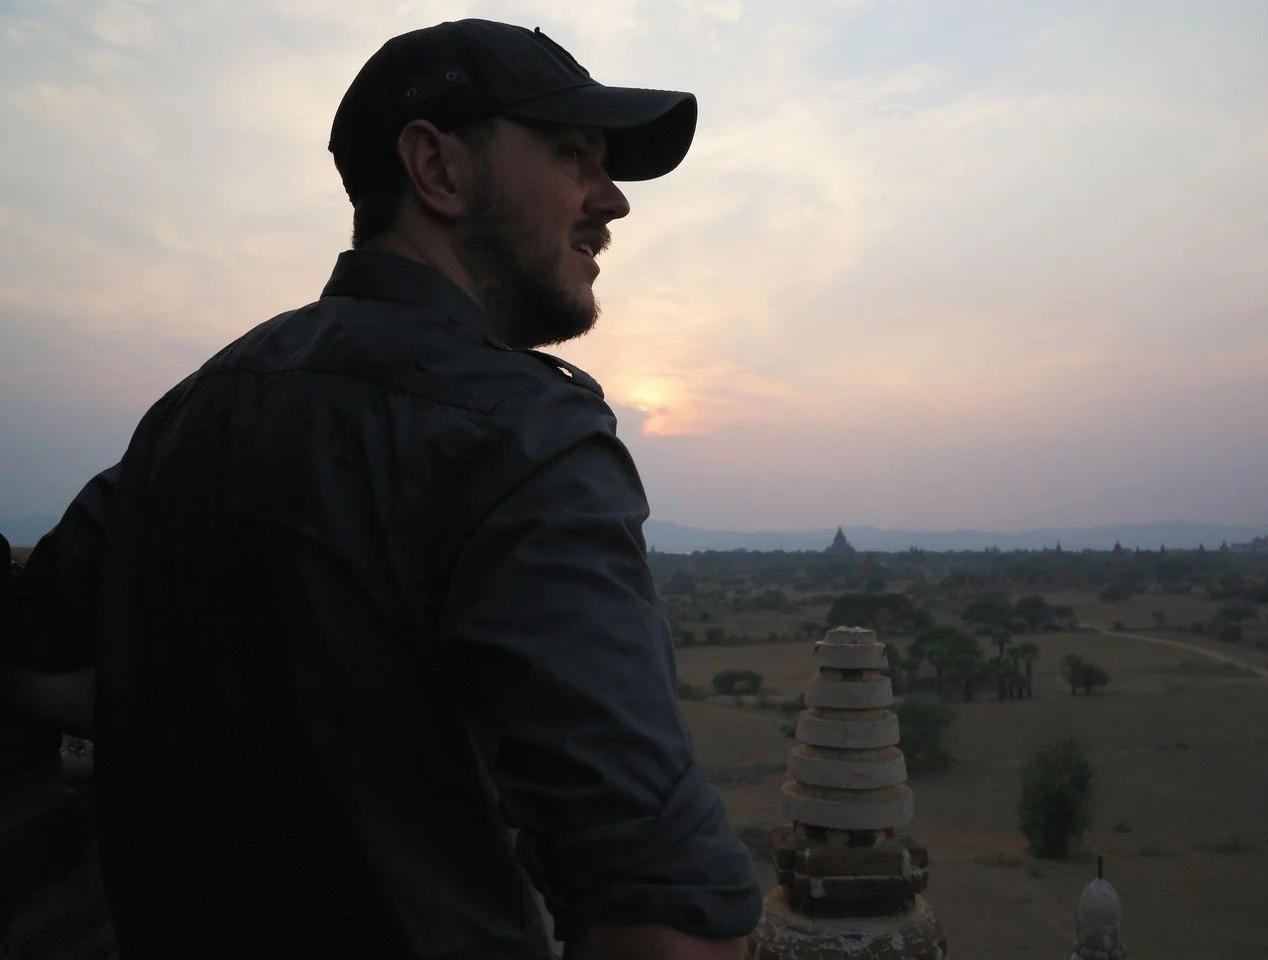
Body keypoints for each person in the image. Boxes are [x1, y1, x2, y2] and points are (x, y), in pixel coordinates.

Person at [0, 19, 761, 960]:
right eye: (571, 155)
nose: (611, 203)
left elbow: (36, 667)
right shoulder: (521, 435)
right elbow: (666, 918)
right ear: (436, 170)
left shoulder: (192, 413)